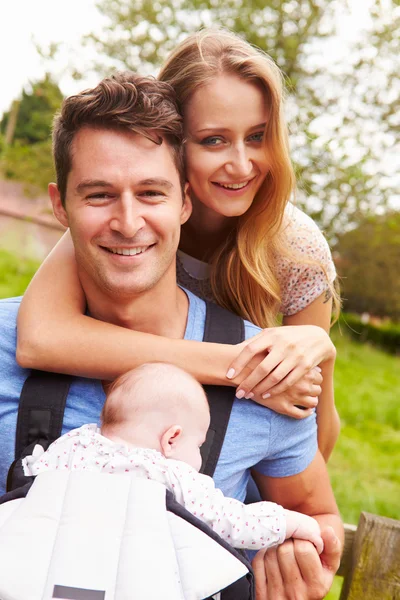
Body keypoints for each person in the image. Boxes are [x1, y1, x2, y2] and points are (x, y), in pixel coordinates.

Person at [0, 72, 343, 599]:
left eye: (151, 193)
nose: (128, 221)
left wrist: (299, 557)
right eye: (98, 195)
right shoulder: (11, 336)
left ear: (185, 202)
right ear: (59, 205)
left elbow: (314, 515)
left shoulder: (269, 376)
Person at [17, 29, 339, 461]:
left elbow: (312, 434)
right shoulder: (129, 225)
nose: (242, 164)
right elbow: (41, 339)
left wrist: (322, 352)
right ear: (168, 139)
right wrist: (241, 367)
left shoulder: (293, 248)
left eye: (257, 137)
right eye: (214, 140)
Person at [23, 362, 324, 555]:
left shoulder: (76, 442)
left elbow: (31, 474)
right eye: (198, 445)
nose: (198, 457)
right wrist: (288, 522)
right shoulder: (171, 476)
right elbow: (230, 521)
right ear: (172, 438)